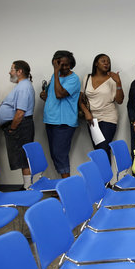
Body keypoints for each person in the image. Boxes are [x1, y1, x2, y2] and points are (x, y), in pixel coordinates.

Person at [40, 50, 80, 178]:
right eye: (60, 64)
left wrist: (55, 72)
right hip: (51, 120)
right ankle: (62, 186)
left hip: (64, 122)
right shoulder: (54, 77)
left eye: (66, 64)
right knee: (54, 154)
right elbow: (53, 95)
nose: (63, 67)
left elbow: (59, 94)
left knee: (60, 154)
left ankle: (67, 187)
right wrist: (46, 95)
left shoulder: (73, 78)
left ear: (71, 64)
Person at [0, 60, 35, 190]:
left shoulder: (24, 86)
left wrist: (12, 129)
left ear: (20, 72)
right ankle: (27, 186)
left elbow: (20, 112)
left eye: (12, 69)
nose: (9, 72)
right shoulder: (21, 85)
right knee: (22, 157)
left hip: (20, 126)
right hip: (21, 125)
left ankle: (27, 187)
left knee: (23, 158)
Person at [79, 53, 123, 157]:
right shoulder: (87, 78)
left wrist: (118, 82)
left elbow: (120, 100)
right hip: (92, 119)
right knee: (98, 150)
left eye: (108, 61)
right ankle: (103, 173)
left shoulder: (112, 79)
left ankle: (106, 173)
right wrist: (86, 113)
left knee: (103, 149)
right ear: (95, 64)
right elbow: (80, 99)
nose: (106, 63)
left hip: (108, 118)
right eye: (103, 61)